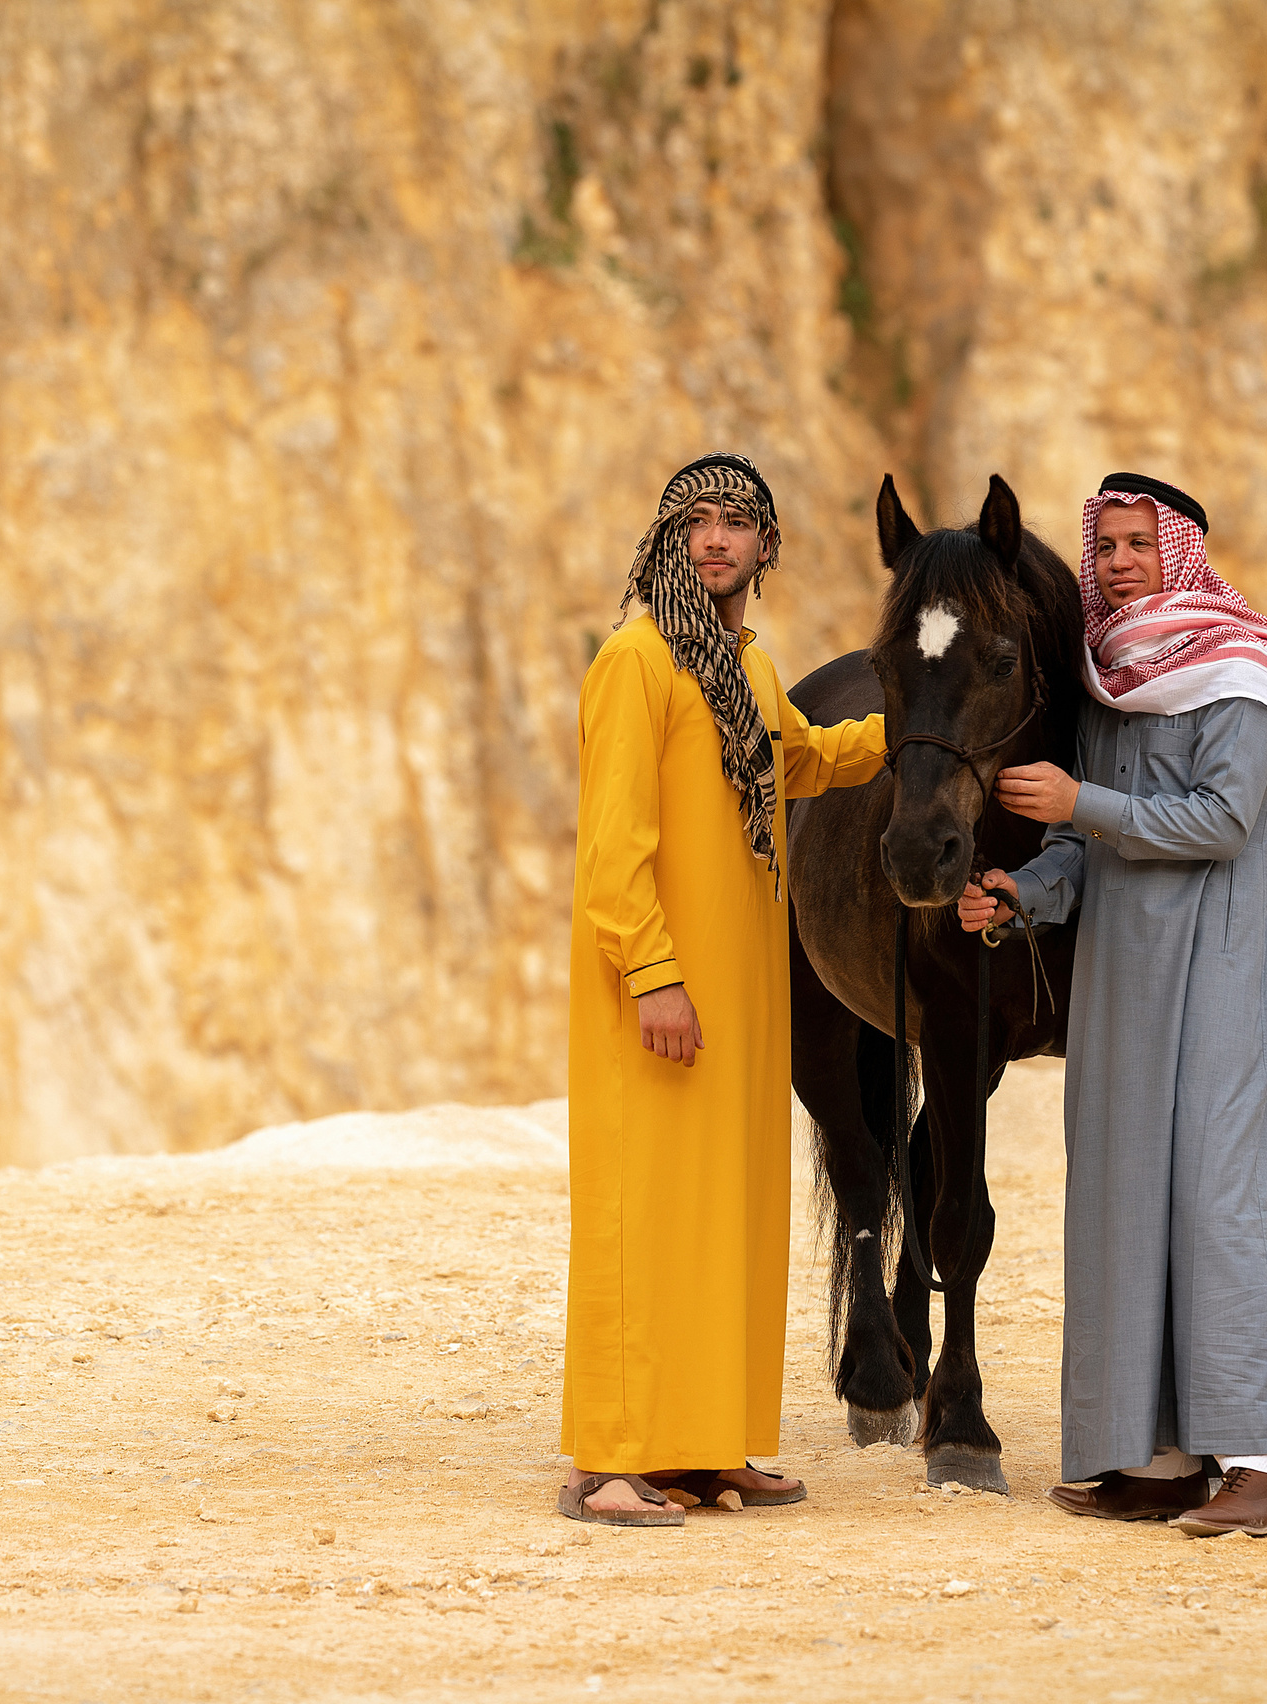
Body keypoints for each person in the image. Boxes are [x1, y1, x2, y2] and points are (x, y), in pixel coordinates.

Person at [957, 473, 1267, 1539]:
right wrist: (1023, 893)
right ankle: (1161, 1460)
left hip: (1209, 981)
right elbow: (1084, 846)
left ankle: (1260, 1461)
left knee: (1215, 1204)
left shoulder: (1244, 669)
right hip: (1116, 991)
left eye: (1137, 543)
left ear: (1180, 549)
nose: (1119, 561)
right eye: (1105, 546)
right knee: (1124, 1211)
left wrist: (1081, 801)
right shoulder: (1108, 675)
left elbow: (1218, 820)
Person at [559, 453, 890, 1526]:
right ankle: (610, 1459)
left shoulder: (743, 668)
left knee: (724, 1219)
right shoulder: (636, 660)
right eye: (694, 522)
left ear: (765, 547)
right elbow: (612, 849)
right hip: (658, 988)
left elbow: (803, 759)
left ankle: (704, 1450)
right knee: (644, 1215)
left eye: (736, 523)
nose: (714, 540)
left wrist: (923, 726)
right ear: (666, 539)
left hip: (741, 995)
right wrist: (653, 974)